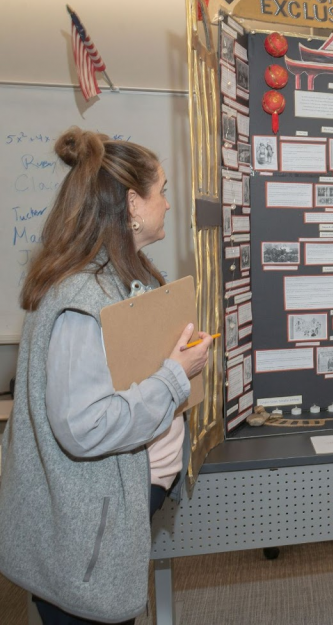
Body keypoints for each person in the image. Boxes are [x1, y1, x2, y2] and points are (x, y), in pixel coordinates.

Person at [0, 128, 214, 624]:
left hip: (104, 508)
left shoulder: (114, 276)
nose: (167, 204)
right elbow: (85, 426)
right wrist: (175, 378)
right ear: (133, 205)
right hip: (88, 528)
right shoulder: (83, 299)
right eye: (161, 191)